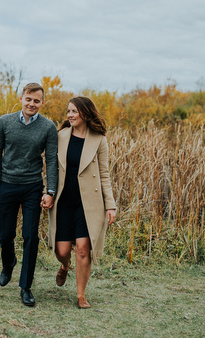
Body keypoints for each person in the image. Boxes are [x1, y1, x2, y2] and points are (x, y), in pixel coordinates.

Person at [0, 82, 58, 307]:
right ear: (21, 98)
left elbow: (50, 160)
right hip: (7, 185)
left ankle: (25, 287)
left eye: (37, 101)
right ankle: (8, 263)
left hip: (32, 187)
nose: (32, 104)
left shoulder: (48, 127)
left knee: (30, 236)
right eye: (28, 99)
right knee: (5, 234)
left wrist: (50, 190)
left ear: (42, 103)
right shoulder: (4, 122)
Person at [45, 96, 117, 309]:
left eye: (74, 111)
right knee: (62, 250)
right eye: (68, 111)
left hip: (89, 204)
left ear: (85, 113)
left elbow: (104, 174)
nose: (70, 115)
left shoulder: (99, 139)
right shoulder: (60, 136)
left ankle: (81, 295)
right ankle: (65, 266)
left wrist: (110, 205)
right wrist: (47, 192)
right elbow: (50, 167)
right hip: (64, 201)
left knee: (84, 248)